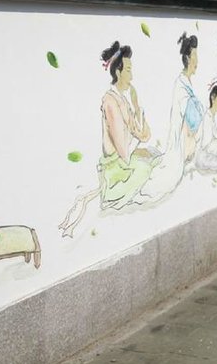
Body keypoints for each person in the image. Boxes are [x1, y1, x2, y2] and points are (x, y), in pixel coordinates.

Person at [58, 41, 159, 237]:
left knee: (155, 157)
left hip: (124, 163)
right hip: (115, 171)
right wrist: (139, 143)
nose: (132, 76)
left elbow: (144, 134)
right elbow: (124, 151)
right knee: (148, 169)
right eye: (128, 70)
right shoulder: (110, 101)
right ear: (118, 72)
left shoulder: (124, 100)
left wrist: (137, 106)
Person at [141, 33, 203, 198]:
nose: (197, 61)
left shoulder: (186, 84)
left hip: (188, 142)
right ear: (188, 59)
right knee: (167, 178)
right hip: (180, 146)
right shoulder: (181, 86)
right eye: (195, 56)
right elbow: (193, 120)